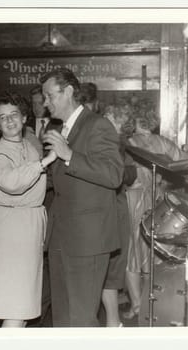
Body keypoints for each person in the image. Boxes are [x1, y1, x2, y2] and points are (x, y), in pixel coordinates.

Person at [41, 68, 124, 327]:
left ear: (67, 92)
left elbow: (113, 175)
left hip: (88, 241)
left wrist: (69, 155)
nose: (45, 103)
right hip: (62, 237)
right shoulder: (62, 128)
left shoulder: (97, 125)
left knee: (81, 320)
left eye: (49, 96)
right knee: (63, 318)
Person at [0, 92, 58, 327]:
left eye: (14, 115)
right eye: (3, 118)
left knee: (23, 306)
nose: (10, 121)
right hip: (12, 227)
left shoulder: (29, 146)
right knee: (16, 306)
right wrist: (46, 161)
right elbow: (11, 183)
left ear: (24, 118)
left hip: (28, 223)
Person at [123, 112, 185, 320]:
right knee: (153, 252)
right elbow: (185, 164)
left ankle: (136, 305)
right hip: (159, 199)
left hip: (134, 199)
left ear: (133, 122)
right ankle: (152, 303)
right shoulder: (164, 143)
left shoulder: (129, 143)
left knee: (132, 254)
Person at [101, 104, 137, 327]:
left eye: (108, 116)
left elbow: (128, 175)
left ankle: (113, 323)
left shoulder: (115, 144)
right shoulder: (114, 144)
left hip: (114, 206)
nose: (102, 119)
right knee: (110, 264)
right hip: (113, 206)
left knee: (112, 264)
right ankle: (113, 322)